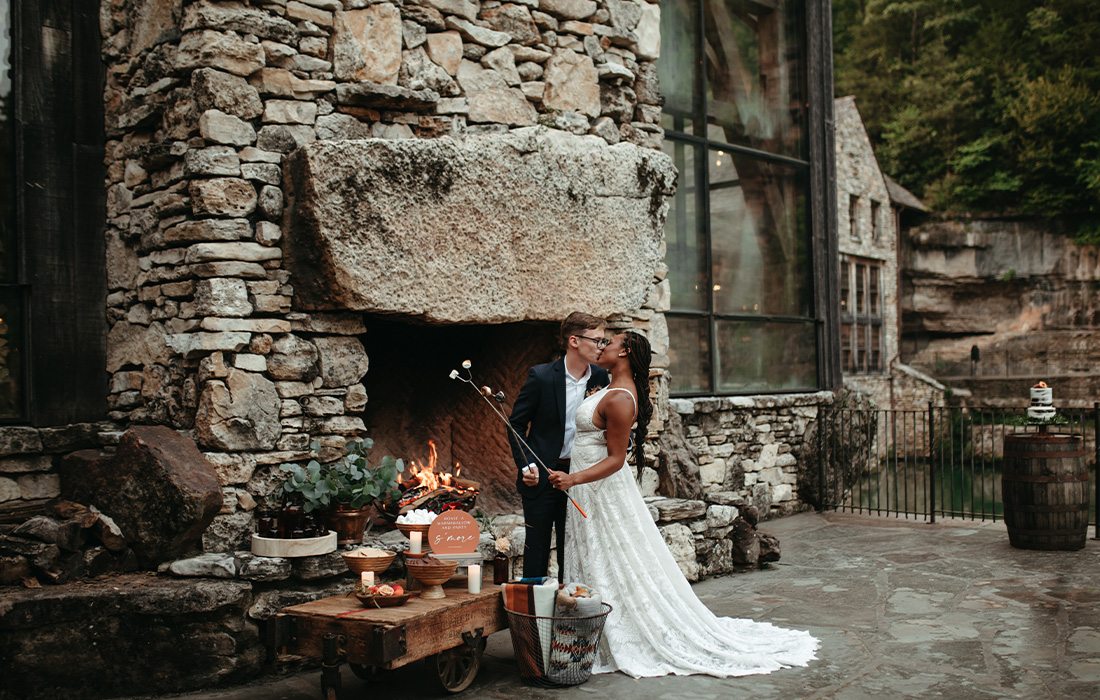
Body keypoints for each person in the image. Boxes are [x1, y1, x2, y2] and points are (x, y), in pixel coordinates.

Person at [548, 331, 818, 678]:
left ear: (625, 351)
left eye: (609, 342)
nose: (602, 347)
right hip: (589, 488)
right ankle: (588, 628)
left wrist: (572, 479)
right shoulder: (608, 388)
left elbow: (616, 459)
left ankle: (607, 629)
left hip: (599, 490)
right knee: (595, 552)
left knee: (612, 553)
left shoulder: (619, 399)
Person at [508, 312, 610, 579]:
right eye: (597, 340)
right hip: (542, 476)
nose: (601, 347)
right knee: (537, 549)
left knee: (573, 548)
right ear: (574, 341)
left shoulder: (600, 378)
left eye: (604, 341)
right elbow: (515, 425)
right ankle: (532, 616)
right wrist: (526, 465)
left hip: (579, 477)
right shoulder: (541, 377)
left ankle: (568, 609)